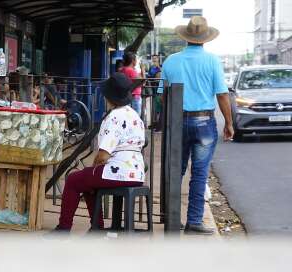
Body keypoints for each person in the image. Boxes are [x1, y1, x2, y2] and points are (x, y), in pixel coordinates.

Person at [160, 16, 234, 234]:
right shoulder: (212, 61)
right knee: (199, 174)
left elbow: (162, 97)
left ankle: (171, 220)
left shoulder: (171, 60)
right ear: (205, 38)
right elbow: (222, 95)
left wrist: (168, 122)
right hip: (204, 123)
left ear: (186, 37)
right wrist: (228, 123)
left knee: (175, 171)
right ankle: (193, 221)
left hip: (176, 122)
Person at [51, 73, 146, 233]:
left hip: (118, 172)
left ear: (108, 97)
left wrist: (94, 167)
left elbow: (103, 155)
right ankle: (97, 227)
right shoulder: (133, 114)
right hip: (137, 172)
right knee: (88, 180)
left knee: (74, 180)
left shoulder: (114, 116)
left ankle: (64, 228)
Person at [120, 52, 143, 116]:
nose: (136, 61)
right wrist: (142, 69)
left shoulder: (123, 69)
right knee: (136, 117)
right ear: (133, 61)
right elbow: (141, 82)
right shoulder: (131, 71)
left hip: (127, 96)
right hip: (134, 97)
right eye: (136, 59)